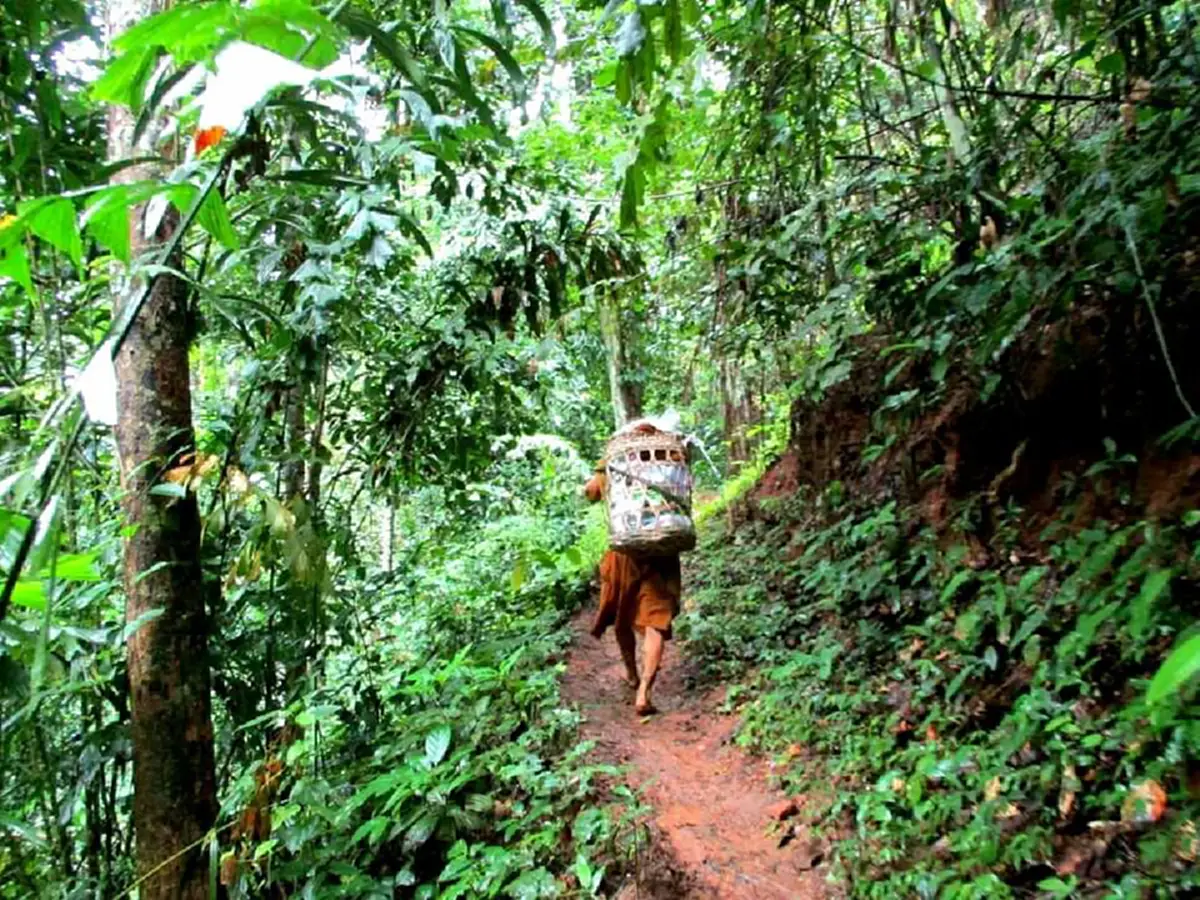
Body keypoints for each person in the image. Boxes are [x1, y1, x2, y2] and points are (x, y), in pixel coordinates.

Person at [584, 456, 682, 716]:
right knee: (656, 622)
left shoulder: (617, 458)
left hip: (625, 553)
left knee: (622, 617)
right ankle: (644, 692)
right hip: (662, 553)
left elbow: (591, 493)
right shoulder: (670, 458)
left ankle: (631, 673)